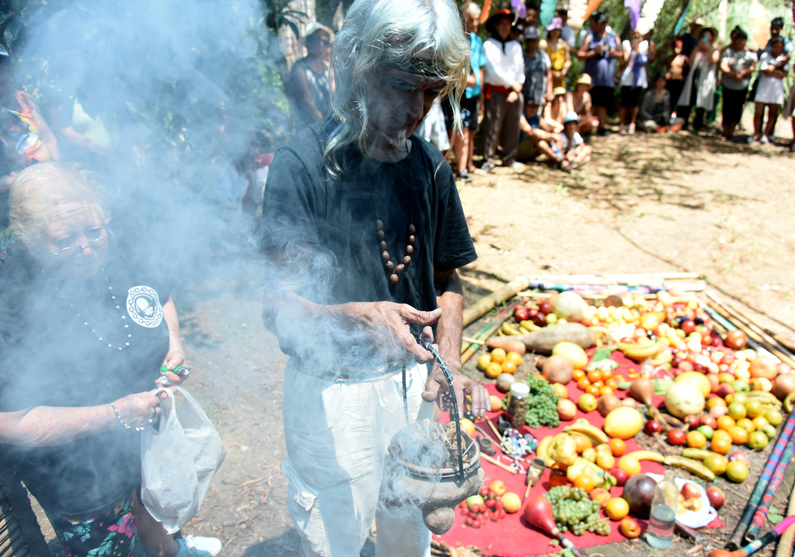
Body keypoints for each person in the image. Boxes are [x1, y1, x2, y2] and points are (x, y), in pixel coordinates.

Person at [260, 1, 489, 555]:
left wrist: (449, 365)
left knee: (406, 538)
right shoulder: (301, 165)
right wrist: (356, 318)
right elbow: (279, 304)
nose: (414, 109)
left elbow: (446, 280)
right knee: (333, 539)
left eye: (431, 93)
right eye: (402, 85)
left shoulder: (431, 168)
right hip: (331, 391)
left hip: (411, 390)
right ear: (357, 67)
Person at [0, 162, 219, 557]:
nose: (86, 246)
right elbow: (10, 422)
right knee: (112, 546)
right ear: (31, 241)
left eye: (93, 230)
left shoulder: (122, 247)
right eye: (65, 239)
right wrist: (115, 413)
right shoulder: (11, 303)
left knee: (160, 516)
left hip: (150, 442)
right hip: (79, 476)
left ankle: (167, 547)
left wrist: (174, 346)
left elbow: (161, 296)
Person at [481, 9, 525, 172]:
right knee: (492, 125)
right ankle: (489, 159)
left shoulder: (515, 45)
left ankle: (509, 157)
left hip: (515, 92)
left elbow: (520, 68)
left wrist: (517, 87)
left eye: (508, 24)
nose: (505, 27)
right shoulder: (489, 45)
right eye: (502, 24)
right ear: (496, 26)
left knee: (513, 125)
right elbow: (492, 70)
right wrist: (511, 84)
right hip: (496, 91)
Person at [451, 2, 486, 182]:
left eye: (477, 20)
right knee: (460, 130)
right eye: (472, 20)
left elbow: (479, 69)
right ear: (463, 19)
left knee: (470, 129)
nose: (475, 23)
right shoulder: (457, 39)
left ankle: (469, 164)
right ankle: (461, 166)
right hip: (460, 92)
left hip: (474, 91)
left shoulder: (478, 41)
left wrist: (481, 93)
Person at [576, 11, 623, 136]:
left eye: (603, 23)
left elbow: (621, 54)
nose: (601, 25)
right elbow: (580, 54)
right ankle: (588, 127)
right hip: (592, 79)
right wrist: (594, 52)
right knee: (590, 104)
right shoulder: (590, 37)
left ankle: (601, 127)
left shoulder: (613, 37)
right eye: (599, 23)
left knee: (603, 104)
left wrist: (613, 53)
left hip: (607, 80)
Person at [286, 23, 334, 133]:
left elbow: (335, 98)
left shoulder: (328, 69)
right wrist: (325, 127)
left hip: (327, 127)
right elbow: (307, 103)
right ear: (308, 42)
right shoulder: (299, 68)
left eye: (325, 42)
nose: (321, 44)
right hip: (309, 130)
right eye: (317, 40)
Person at [677, 26, 719, 132]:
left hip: (705, 78)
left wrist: (708, 49)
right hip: (694, 76)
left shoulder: (715, 50)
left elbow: (712, 61)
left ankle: (698, 123)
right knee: (690, 97)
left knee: (702, 100)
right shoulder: (696, 48)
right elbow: (690, 63)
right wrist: (697, 49)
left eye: (708, 36)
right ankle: (684, 122)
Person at [719, 28, 757, 141]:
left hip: (742, 87)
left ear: (745, 40)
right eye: (737, 40)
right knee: (726, 108)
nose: (739, 42)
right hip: (728, 85)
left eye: (742, 40)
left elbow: (752, 67)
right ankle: (724, 131)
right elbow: (723, 65)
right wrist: (732, 75)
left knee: (737, 108)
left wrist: (742, 74)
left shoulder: (749, 54)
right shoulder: (728, 52)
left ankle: (731, 131)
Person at [752, 37, 788, 144]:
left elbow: (784, 74)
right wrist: (777, 68)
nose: (777, 49)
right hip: (763, 87)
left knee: (773, 113)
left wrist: (773, 70)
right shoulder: (765, 56)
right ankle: (756, 133)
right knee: (758, 112)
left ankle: (766, 134)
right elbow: (766, 71)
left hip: (776, 89)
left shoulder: (785, 59)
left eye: (780, 47)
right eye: (776, 46)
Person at [619, 29, 654, 134]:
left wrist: (637, 48)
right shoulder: (626, 43)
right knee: (624, 101)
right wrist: (631, 51)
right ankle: (621, 124)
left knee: (636, 101)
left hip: (639, 77)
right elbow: (625, 60)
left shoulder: (645, 45)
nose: (636, 35)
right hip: (627, 75)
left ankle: (632, 124)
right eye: (634, 32)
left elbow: (644, 60)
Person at [522, 26, 552, 111]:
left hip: (539, 95)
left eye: (533, 40)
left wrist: (549, 91)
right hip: (524, 95)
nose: (530, 43)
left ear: (537, 41)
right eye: (528, 40)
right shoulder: (521, 56)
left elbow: (549, 73)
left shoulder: (543, 56)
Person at [543, 18, 571, 94]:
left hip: (561, 77)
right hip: (548, 77)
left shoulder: (564, 45)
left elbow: (568, 61)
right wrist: (551, 74)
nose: (555, 32)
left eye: (557, 30)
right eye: (553, 30)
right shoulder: (544, 44)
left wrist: (563, 73)